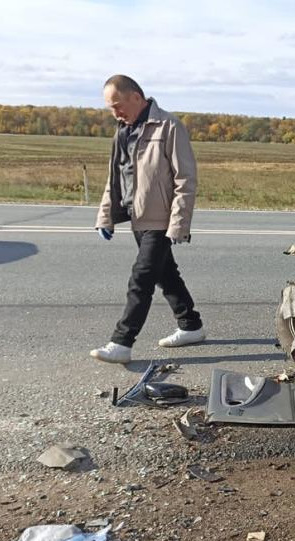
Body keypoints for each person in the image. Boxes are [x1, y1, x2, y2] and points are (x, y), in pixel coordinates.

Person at [89, 75, 205, 364]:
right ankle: (191, 325)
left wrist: (178, 223)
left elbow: (185, 179)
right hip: (137, 216)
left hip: (161, 220)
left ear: (136, 98)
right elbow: (114, 179)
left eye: (117, 105)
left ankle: (122, 342)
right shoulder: (123, 131)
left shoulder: (168, 126)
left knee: (141, 278)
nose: (115, 113)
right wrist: (106, 216)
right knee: (167, 276)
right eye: (110, 108)